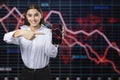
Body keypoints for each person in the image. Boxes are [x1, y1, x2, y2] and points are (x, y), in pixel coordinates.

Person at [3, 4, 59, 80]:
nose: (33, 19)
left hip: (44, 73)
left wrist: (55, 42)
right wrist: (21, 32)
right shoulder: (23, 30)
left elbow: (52, 54)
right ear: (26, 16)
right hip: (26, 73)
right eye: (30, 15)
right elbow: (6, 38)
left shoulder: (48, 32)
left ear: (41, 16)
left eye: (36, 15)